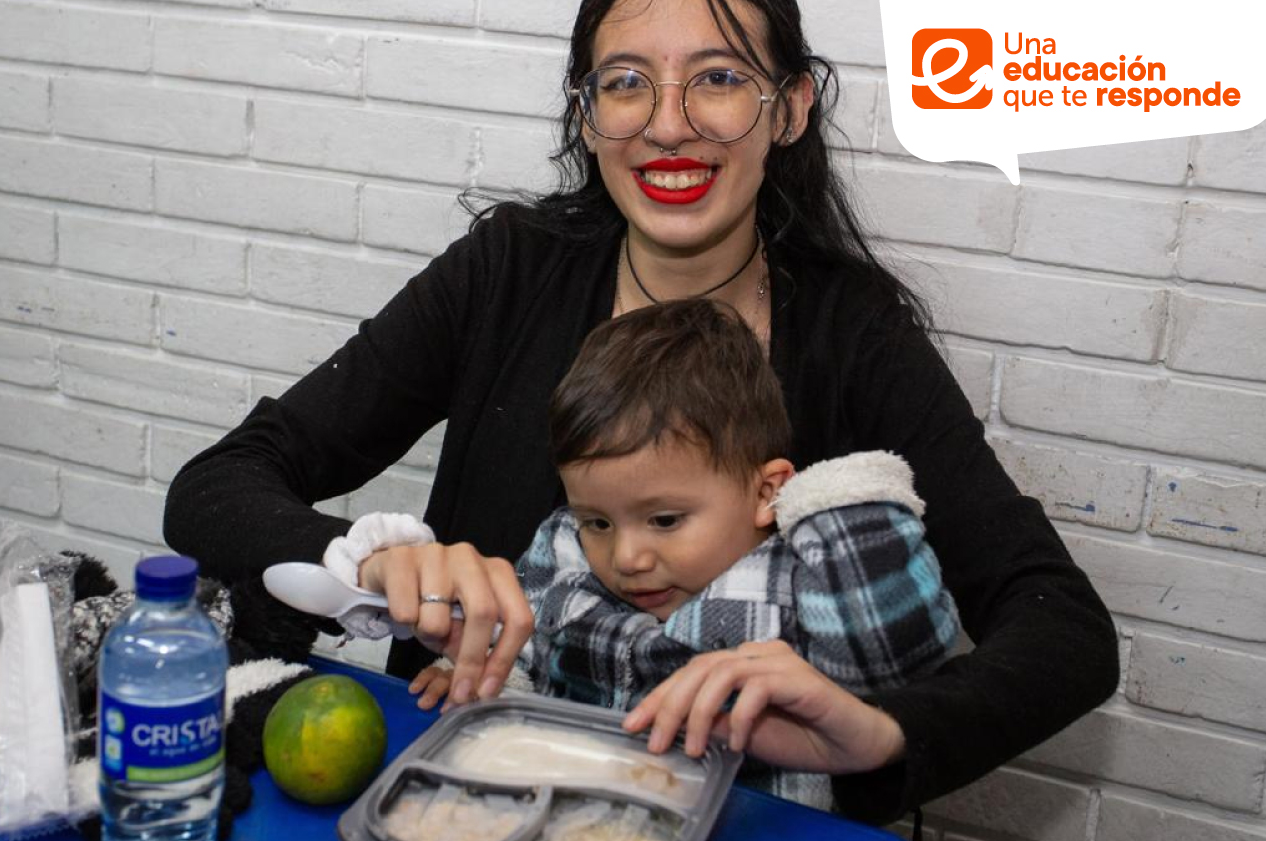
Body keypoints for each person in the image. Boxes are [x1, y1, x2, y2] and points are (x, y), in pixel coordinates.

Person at [163, 0, 1118, 824]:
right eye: (625, 82)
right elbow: (216, 487)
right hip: (468, 792)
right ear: (586, 114)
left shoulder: (850, 333)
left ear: (789, 108)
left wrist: (881, 735)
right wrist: (368, 557)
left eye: (718, 78)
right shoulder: (507, 272)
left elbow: (1064, 630)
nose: (668, 126)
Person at [405, 299, 961, 811]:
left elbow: (893, 650)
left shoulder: (807, 580)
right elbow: (525, 646)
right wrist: (479, 675)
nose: (627, 557)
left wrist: (831, 502)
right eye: (597, 520)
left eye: (665, 520)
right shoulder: (566, 548)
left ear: (768, 492)